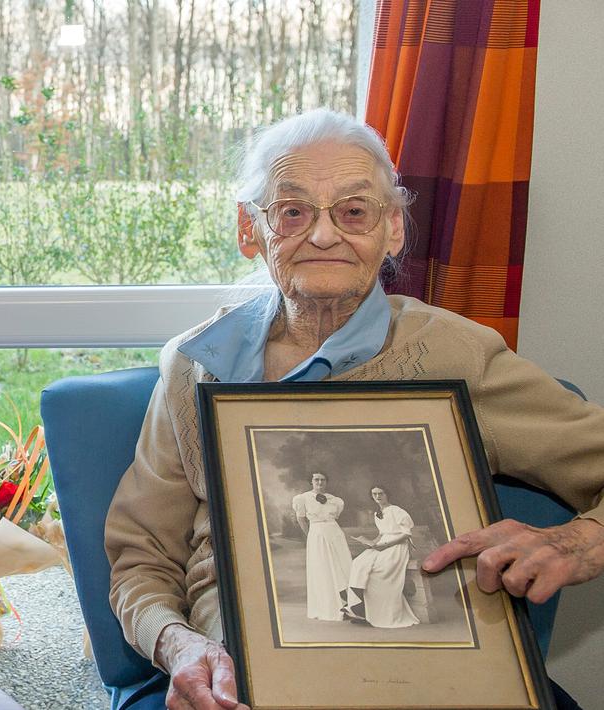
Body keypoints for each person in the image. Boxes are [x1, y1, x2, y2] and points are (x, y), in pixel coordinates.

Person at [104, 108, 604, 710]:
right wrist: (178, 644)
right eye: (292, 211)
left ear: (391, 228)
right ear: (249, 230)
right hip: (246, 681)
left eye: (354, 210)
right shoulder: (194, 363)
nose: (322, 235)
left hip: (430, 677)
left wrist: (581, 539)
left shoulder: (455, 354)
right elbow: (142, 557)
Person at [342, 486, 419, 629]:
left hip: (397, 546)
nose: (378, 496)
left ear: (387, 494)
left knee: (378, 571)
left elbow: (406, 534)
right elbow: (382, 533)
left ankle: (377, 613)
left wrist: (386, 545)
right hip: (383, 544)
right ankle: (360, 609)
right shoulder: (378, 513)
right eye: (374, 494)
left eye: (381, 493)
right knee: (358, 563)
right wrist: (371, 543)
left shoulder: (397, 511)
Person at [291, 472, 351, 621]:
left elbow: (334, 518)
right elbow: (301, 519)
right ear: (311, 481)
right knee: (323, 568)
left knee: (343, 566)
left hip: (335, 533)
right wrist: (311, 535)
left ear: (327, 482)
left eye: (323, 480)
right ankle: (328, 606)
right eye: (316, 479)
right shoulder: (302, 498)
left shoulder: (335, 501)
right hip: (316, 534)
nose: (319, 482)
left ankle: (349, 605)